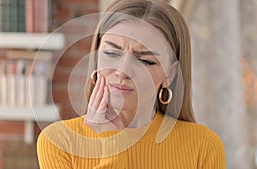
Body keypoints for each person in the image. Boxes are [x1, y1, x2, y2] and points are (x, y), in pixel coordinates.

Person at [37, 0, 225, 168]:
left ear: (170, 73)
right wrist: (112, 142)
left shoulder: (204, 146)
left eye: (145, 61)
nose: (122, 71)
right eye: (111, 53)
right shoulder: (59, 142)